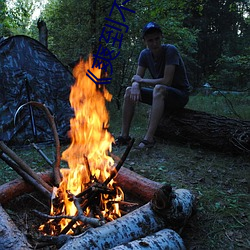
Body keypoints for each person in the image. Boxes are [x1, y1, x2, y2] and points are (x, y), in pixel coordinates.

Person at [115, 22, 191, 148]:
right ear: (145, 41)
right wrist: (134, 85)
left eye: (157, 39)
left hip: (179, 95)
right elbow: (136, 78)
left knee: (159, 88)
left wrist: (140, 81)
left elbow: (167, 81)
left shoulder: (170, 50)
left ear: (161, 37)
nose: (154, 43)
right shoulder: (144, 54)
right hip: (160, 95)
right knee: (129, 91)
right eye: (150, 40)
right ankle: (124, 136)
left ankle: (149, 138)